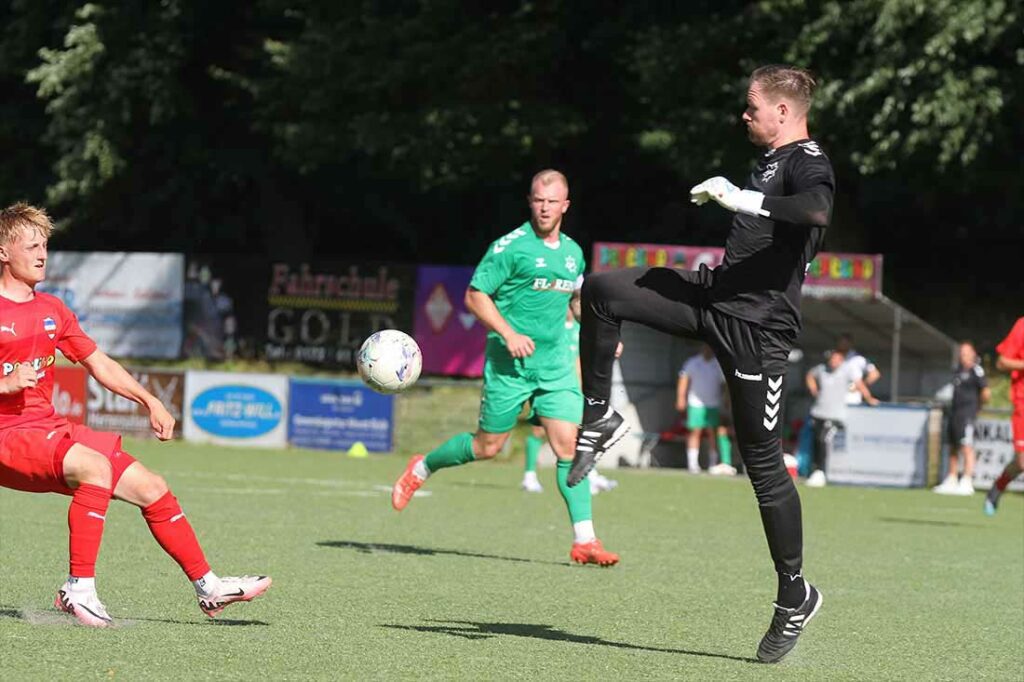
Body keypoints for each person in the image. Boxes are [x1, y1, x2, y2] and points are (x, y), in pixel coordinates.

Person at [568, 65, 832, 661]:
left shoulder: (807, 159)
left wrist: (745, 200)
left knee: (762, 467)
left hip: (758, 332)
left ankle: (794, 594)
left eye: (752, 106)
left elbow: (816, 209)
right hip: (714, 297)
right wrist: (745, 198)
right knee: (603, 291)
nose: (745, 114)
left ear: (783, 113)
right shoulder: (766, 159)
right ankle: (598, 418)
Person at [0, 203, 271, 627]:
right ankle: (79, 588)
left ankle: (209, 587)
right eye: (32, 246)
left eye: (46, 246)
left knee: (152, 486)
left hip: (45, 428)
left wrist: (150, 400)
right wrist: (5, 384)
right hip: (7, 435)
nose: (42, 255)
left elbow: (99, 363)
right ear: (3, 251)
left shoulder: (52, 308)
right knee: (94, 468)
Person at [391, 170, 619, 566]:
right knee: (488, 447)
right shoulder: (509, 248)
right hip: (509, 365)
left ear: (565, 206)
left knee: (569, 446)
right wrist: (509, 333)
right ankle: (422, 466)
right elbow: (475, 296)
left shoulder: (573, 253)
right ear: (530, 202)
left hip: (554, 367)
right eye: (538, 200)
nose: (544, 207)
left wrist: (601, 337)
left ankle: (585, 540)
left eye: (552, 201)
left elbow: (577, 303)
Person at [522, 309, 618, 495]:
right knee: (539, 431)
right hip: (549, 388)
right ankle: (529, 475)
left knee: (580, 433)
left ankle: (590, 475)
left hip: (575, 390)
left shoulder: (580, 329)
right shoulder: (551, 329)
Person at [805, 349, 878, 487]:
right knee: (816, 442)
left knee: (823, 441)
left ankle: (821, 472)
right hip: (818, 412)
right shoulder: (821, 370)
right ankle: (815, 471)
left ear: (841, 360)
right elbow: (809, 375)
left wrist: (868, 397)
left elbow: (860, 383)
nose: (833, 362)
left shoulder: (846, 371)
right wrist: (813, 389)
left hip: (835, 415)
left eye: (836, 359)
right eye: (832, 359)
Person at [934, 341, 990, 495]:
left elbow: (985, 393)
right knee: (953, 446)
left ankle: (967, 480)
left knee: (966, 446)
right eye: (961, 353)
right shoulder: (957, 370)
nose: (963, 356)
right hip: (954, 413)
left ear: (973, 354)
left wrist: (977, 408)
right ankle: (951, 479)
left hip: (967, 414)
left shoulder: (976, 371)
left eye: (966, 353)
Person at [676, 344, 736, 476]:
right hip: (695, 403)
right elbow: (684, 379)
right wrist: (681, 398)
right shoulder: (692, 363)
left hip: (713, 404)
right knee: (695, 432)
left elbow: (724, 384)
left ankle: (712, 464)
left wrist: (726, 399)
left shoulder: (718, 364)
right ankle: (692, 464)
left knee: (712, 433)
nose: (708, 350)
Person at [985, 317, 1024, 515]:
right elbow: (1002, 362)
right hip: (1022, 402)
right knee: (1022, 462)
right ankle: (997, 487)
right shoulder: (1022, 325)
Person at [834, 333, 880, 405]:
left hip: (851, 399)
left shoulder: (858, 359)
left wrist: (859, 386)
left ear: (850, 343)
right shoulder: (833, 358)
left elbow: (875, 374)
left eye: (845, 342)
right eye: (841, 342)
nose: (842, 344)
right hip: (834, 399)